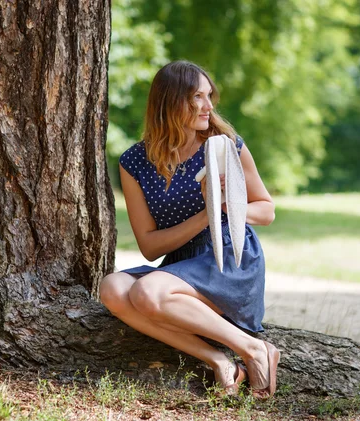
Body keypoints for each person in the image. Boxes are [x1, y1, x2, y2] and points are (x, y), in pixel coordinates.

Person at [99, 60, 280, 398]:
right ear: (170, 101)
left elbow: (266, 210)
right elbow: (151, 247)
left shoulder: (224, 146)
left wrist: (226, 204)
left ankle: (254, 348)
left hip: (229, 258)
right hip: (179, 265)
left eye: (209, 96)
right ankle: (221, 360)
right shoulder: (134, 162)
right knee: (112, 287)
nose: (208, 106)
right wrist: (205, 213)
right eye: (198, 97)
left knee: (147, 292)